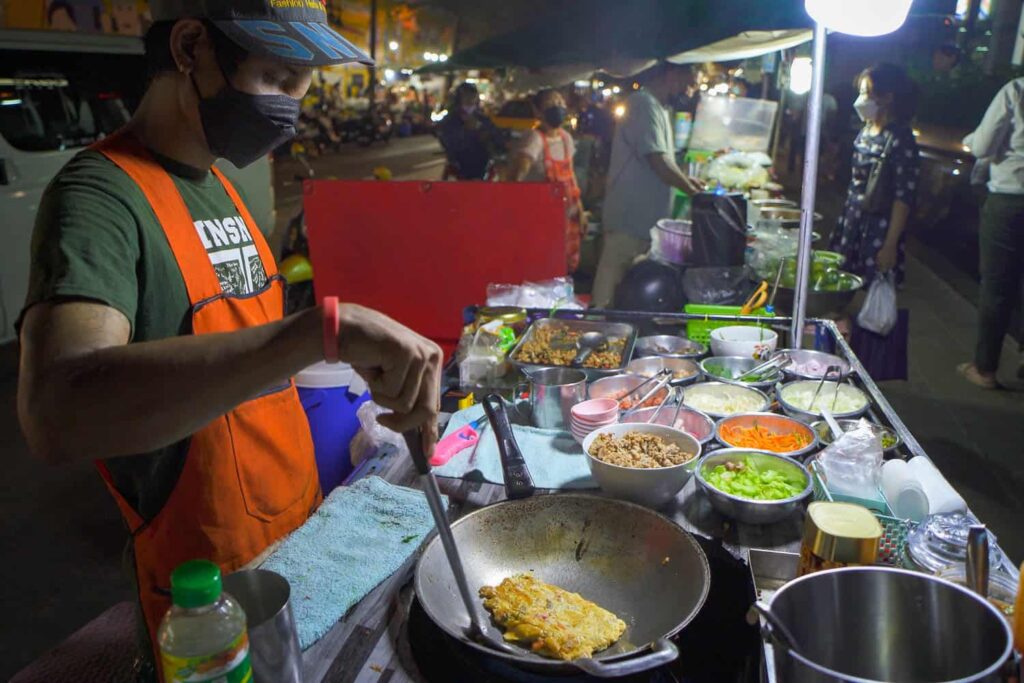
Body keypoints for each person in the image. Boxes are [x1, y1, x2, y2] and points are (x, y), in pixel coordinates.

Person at [16, 1, 442, 677]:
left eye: (304, 87)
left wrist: (357, 377)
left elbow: (252, 368)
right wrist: (314, 333)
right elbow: (57, 411)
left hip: (298, 549)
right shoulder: (99, 196)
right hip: (203, 601)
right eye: (277, 77)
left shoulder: (222, 186)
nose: (290, 108)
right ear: (191, 47)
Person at [591, 62, 703, 308]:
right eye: (689, 82)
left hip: (645, 220)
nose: (690, 91)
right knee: (608, 291)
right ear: (673, 74)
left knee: (628, 293)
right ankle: (595, 332)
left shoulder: (659, 108)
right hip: (629, 218)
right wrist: (693, 191)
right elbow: (658, 160)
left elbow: (663, 160)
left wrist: (688, 182)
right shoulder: (642, 104)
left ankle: (617, 336)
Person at [958, 76, 1024, 388]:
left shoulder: (1016, 90)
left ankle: (985, 369)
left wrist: (972, 139)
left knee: (998, 285)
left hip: (1010, 200)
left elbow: (983, 145)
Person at [829, 63, 920, 290]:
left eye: (866, 93)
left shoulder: (900, 139)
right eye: (860, 92)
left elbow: (903, 196)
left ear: (887, 97)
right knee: (840, 285)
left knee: (867, 292)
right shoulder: (865, 131)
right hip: (852, 221)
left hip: (879, 228)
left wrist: (889, 245)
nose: (861, 100)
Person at [509, 89, 585, 271]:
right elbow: (520, 170)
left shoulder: (566, 138)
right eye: (551, 105)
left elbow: (571, 176)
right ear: (538, 111)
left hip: (567, 218)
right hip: (541, 220)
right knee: (542, 270)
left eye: (560, 103)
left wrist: (580, 210)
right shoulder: (534, 139)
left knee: (564, 269)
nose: (557, 108)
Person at [437, 82, 502, 180]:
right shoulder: (450, 120)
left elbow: (495, 137)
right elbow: (446, 140)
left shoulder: (483, 119)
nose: (470, 100)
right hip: (459, 166)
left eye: (472, 96)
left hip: (483, 166)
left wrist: (481, 130)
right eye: (466, 97)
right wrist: (464, 131)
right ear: (458, 100)